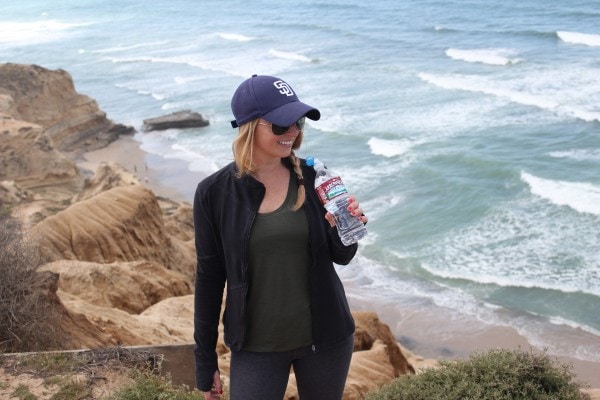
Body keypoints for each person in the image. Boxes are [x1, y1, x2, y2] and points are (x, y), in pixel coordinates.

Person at [193, 74, 368, 400]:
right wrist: (205, 360)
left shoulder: (315, 177)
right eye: (280, 125)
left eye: (298, 122)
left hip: (326, 339)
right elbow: (209, 279)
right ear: (248, 126)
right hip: (256, 346)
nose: (293, 133)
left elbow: (342, 255)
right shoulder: (213, 194)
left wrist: (344, 227)